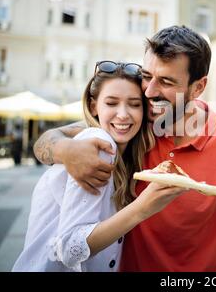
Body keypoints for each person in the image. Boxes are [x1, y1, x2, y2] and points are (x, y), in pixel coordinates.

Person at [33, 25, 216, 272]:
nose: (150, 91)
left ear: (198, 87)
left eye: (165, 81)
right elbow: (48, 139)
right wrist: (67, 151)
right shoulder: (135, 122)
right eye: (146, 75)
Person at [13, 62, 186, 271]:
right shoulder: (99, 142)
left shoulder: (127, 148)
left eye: (134, 104)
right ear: (94, 106)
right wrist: (142, 208)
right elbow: (69, 248)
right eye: (112, 103)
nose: (123, 114)